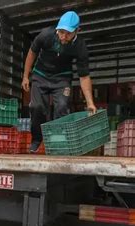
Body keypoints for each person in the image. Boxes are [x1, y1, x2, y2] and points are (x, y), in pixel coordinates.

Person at [21, 11, 97, 153]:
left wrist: (90, 102)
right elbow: (32, 53)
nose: (63, 36)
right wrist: (26, 76)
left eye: (68, 33)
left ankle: (57, 143)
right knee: (37, 107)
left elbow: (84, 76)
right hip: (40, 75)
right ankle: (37, 139)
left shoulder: (80, 47)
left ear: (77, 31)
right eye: (61, 32)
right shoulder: (46, 35)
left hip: (62, 78)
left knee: (62, 107)